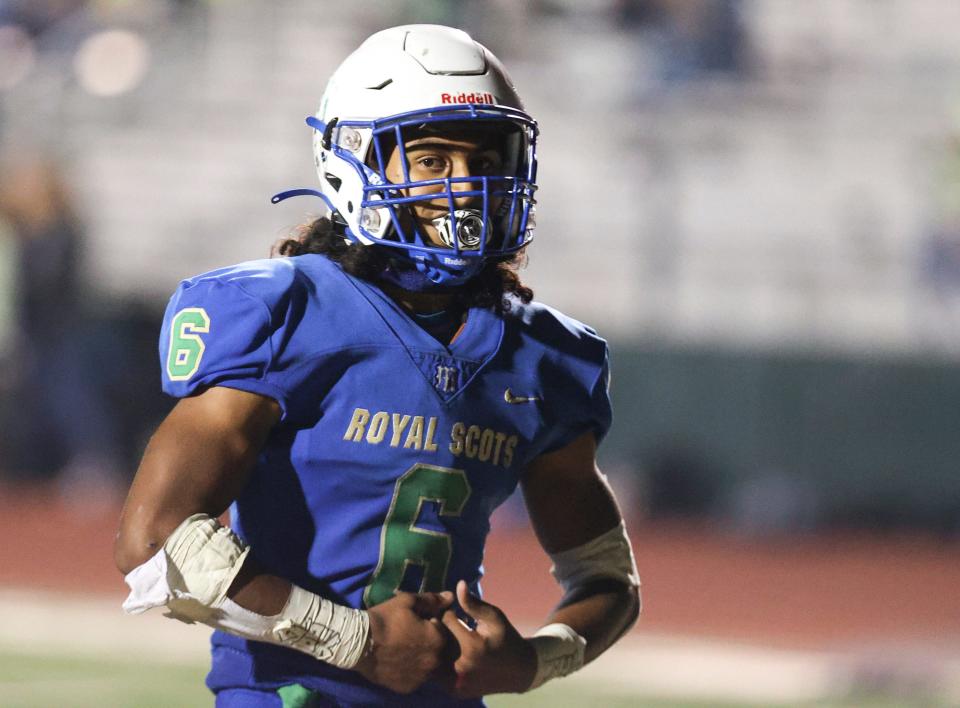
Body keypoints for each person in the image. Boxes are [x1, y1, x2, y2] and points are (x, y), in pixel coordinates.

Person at [114, 24, 640, 707]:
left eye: (484, 158)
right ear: (353, 161)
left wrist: (535, 661)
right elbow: (157, 540)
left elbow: (607, 578)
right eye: (430, 160)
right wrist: (353, 639)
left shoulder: (543, 355)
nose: (466, 185)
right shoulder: (285, 314)